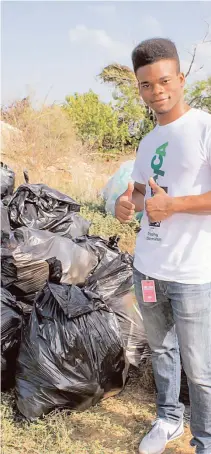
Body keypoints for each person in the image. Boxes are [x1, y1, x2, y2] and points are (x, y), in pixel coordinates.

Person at [115, 37, 211, 454]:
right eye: (147, 85)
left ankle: (205, 440)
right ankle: (168, 419)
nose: (158, 92)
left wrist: (175, 205)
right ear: (139, 88)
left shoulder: (205, 127)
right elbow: (140, 195)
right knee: (161, 351)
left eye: (165, 81)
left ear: (181, 78)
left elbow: (172, 200)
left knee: (201, 368)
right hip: (149, 268)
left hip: (193, 274)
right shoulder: (148, 141)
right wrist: (126, 202)